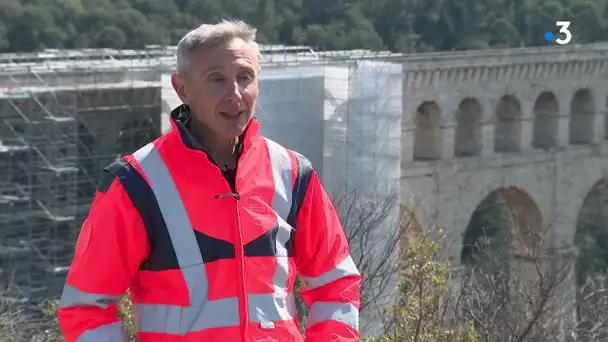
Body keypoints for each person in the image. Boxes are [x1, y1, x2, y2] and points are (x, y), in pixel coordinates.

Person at [57, 19, 361, 342]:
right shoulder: (136, 183)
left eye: (245, 78)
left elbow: (336, 284)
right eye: (217, 80)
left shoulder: (292, 172)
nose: (235, 94)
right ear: (182, 89)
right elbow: (87, 307)